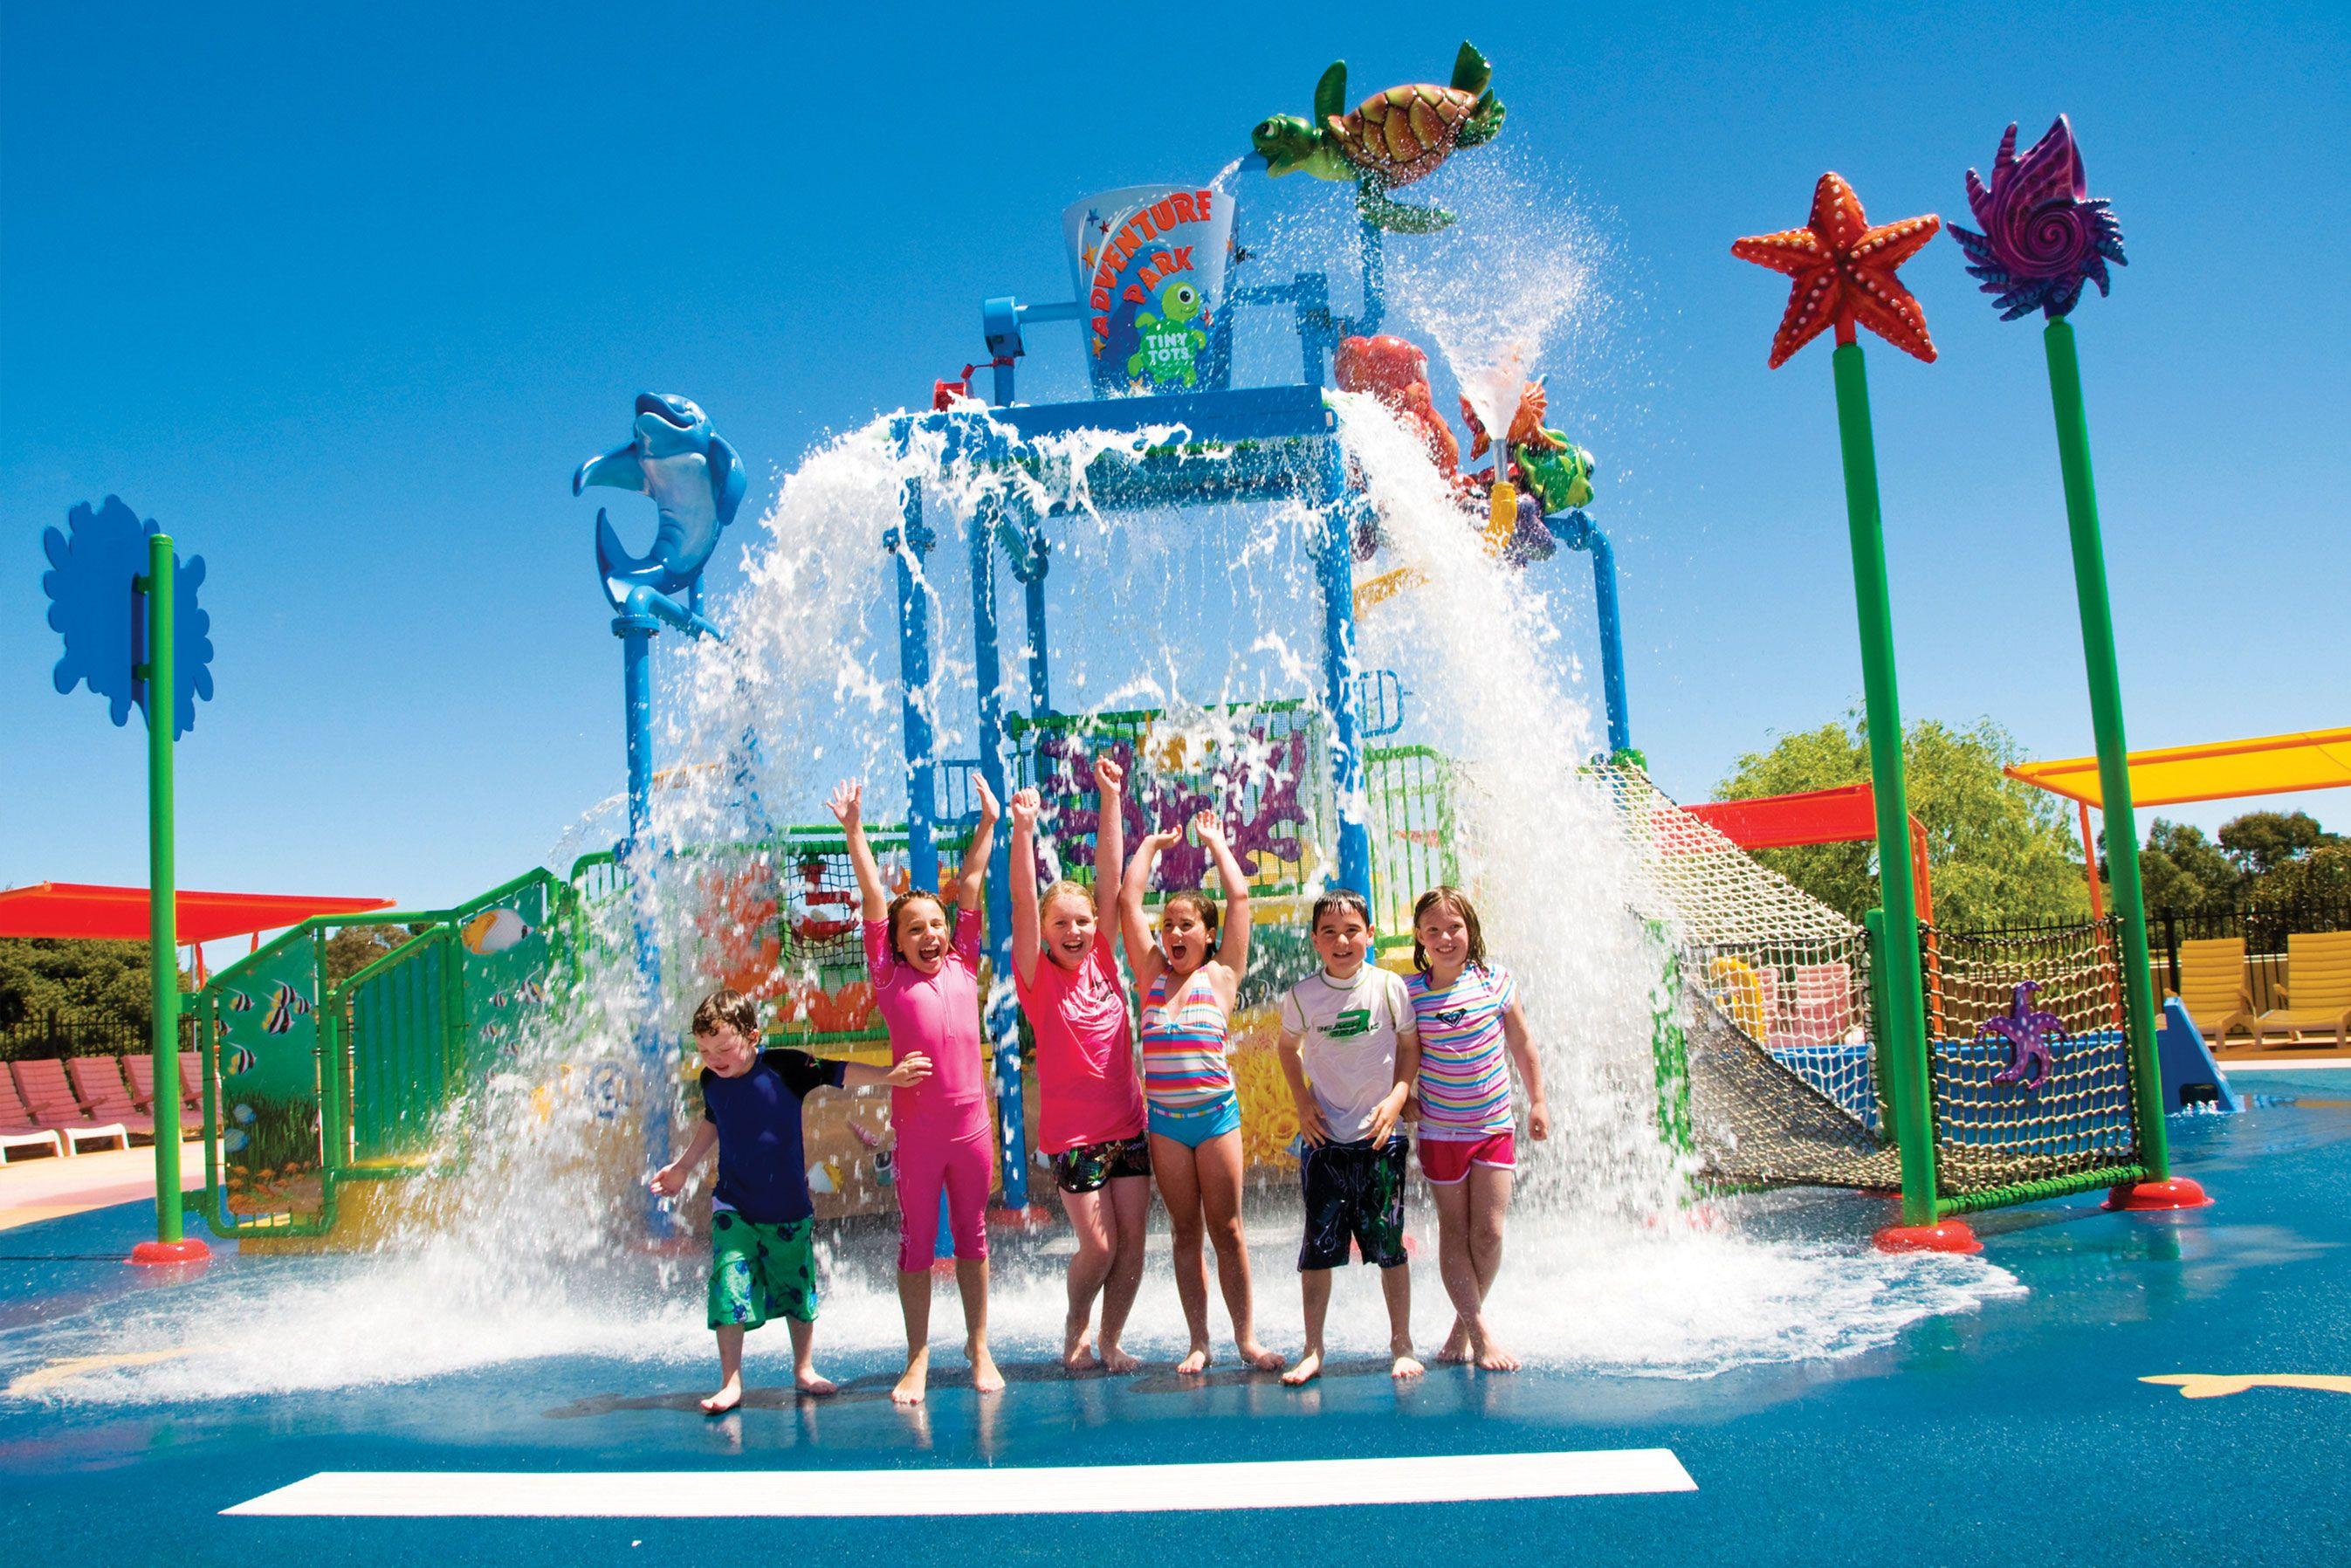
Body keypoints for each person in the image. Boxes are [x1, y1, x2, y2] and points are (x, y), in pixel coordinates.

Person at [650, 987, 931, 1414]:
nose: (714, 1059)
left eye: (723, 1047)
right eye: (705, 1050)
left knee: (797, 1290)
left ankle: (803, 1368)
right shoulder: (712, 1081)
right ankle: (731, 1381)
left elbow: (836, 1072)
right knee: (729, 1287)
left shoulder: (785, 1066)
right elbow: (713, 1123)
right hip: (734, 1208)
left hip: (788, 1209)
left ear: (753, 1035)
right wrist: (684, 1167)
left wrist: (887, 1075)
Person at [830, 775, 1005, 1406]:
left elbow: (974, 883)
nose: (931, 934)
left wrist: (986, 825)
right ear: (896, 944)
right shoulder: (888, 979)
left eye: (937, 924)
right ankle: (918, 1354)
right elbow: (874, 896)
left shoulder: (962, 962)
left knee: (972, 1237)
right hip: (921, 1135)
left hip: (972, 1129)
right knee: (915, 1242)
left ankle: (978, 1344)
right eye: (916, 930)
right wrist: (854, 833)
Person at [1118, 809, 1284, 1374]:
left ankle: (1246, 1338)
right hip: (1166, 1123)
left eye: (1186, 924)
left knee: (1228, 1229)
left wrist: (1215, 843)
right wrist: (1149, 846)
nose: (1173, 933)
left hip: (1215, 1119)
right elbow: (1125, 901)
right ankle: (1199, 1341)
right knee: (1184, 1231)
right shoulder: (1151, 976)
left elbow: (1239, 900)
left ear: (1207, 936)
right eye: (1167, 924)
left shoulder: (1220, 978)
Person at [1007, 757, 1151, 1373]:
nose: (1073, 930)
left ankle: (1111, 1338)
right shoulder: (1037, 979)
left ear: (1097, 927)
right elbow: (1018, 898)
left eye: (1082, 921)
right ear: (1042, 931)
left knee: (1133, 1246)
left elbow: (1112, 880)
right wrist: (1020, 832)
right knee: (1097, 1246)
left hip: (1129, 1125)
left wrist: (1111, 797)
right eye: (1059, 923)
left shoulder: (1106, 965)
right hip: (1074, 1139)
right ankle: (1077, 1324)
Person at [1275, 888, 1421, 1385]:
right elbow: (1286, 1048)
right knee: (1317, 1250)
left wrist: (1400, 1095)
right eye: (1330, 933)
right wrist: (1302, 1100)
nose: (1342, 941)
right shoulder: (1301, 995)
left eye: (1352, 931)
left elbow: (1409, 1045)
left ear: (1370, 935)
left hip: (1381, 1137)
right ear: (1315, 940)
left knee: (1389, 1245)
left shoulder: (1387, 987)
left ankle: (1401, 1343)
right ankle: (1313, 1348)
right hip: (1324, 1141)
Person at [1405, 884, 1548, 1372]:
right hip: (1442, 1133)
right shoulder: (1411, 994)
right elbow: (1401, 1055)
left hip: (1493, 1126)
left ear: (1471, 930)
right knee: (1455, 1230)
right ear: (1420, 938)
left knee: (1487, 1233)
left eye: (1454, 927)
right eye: (1434, 930)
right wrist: (1404, 1096)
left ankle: (1463, 1326)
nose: (1446, 937)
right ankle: (1482, 1334)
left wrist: (1539, 1101)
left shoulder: (1495, 981)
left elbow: (1523, 1044)